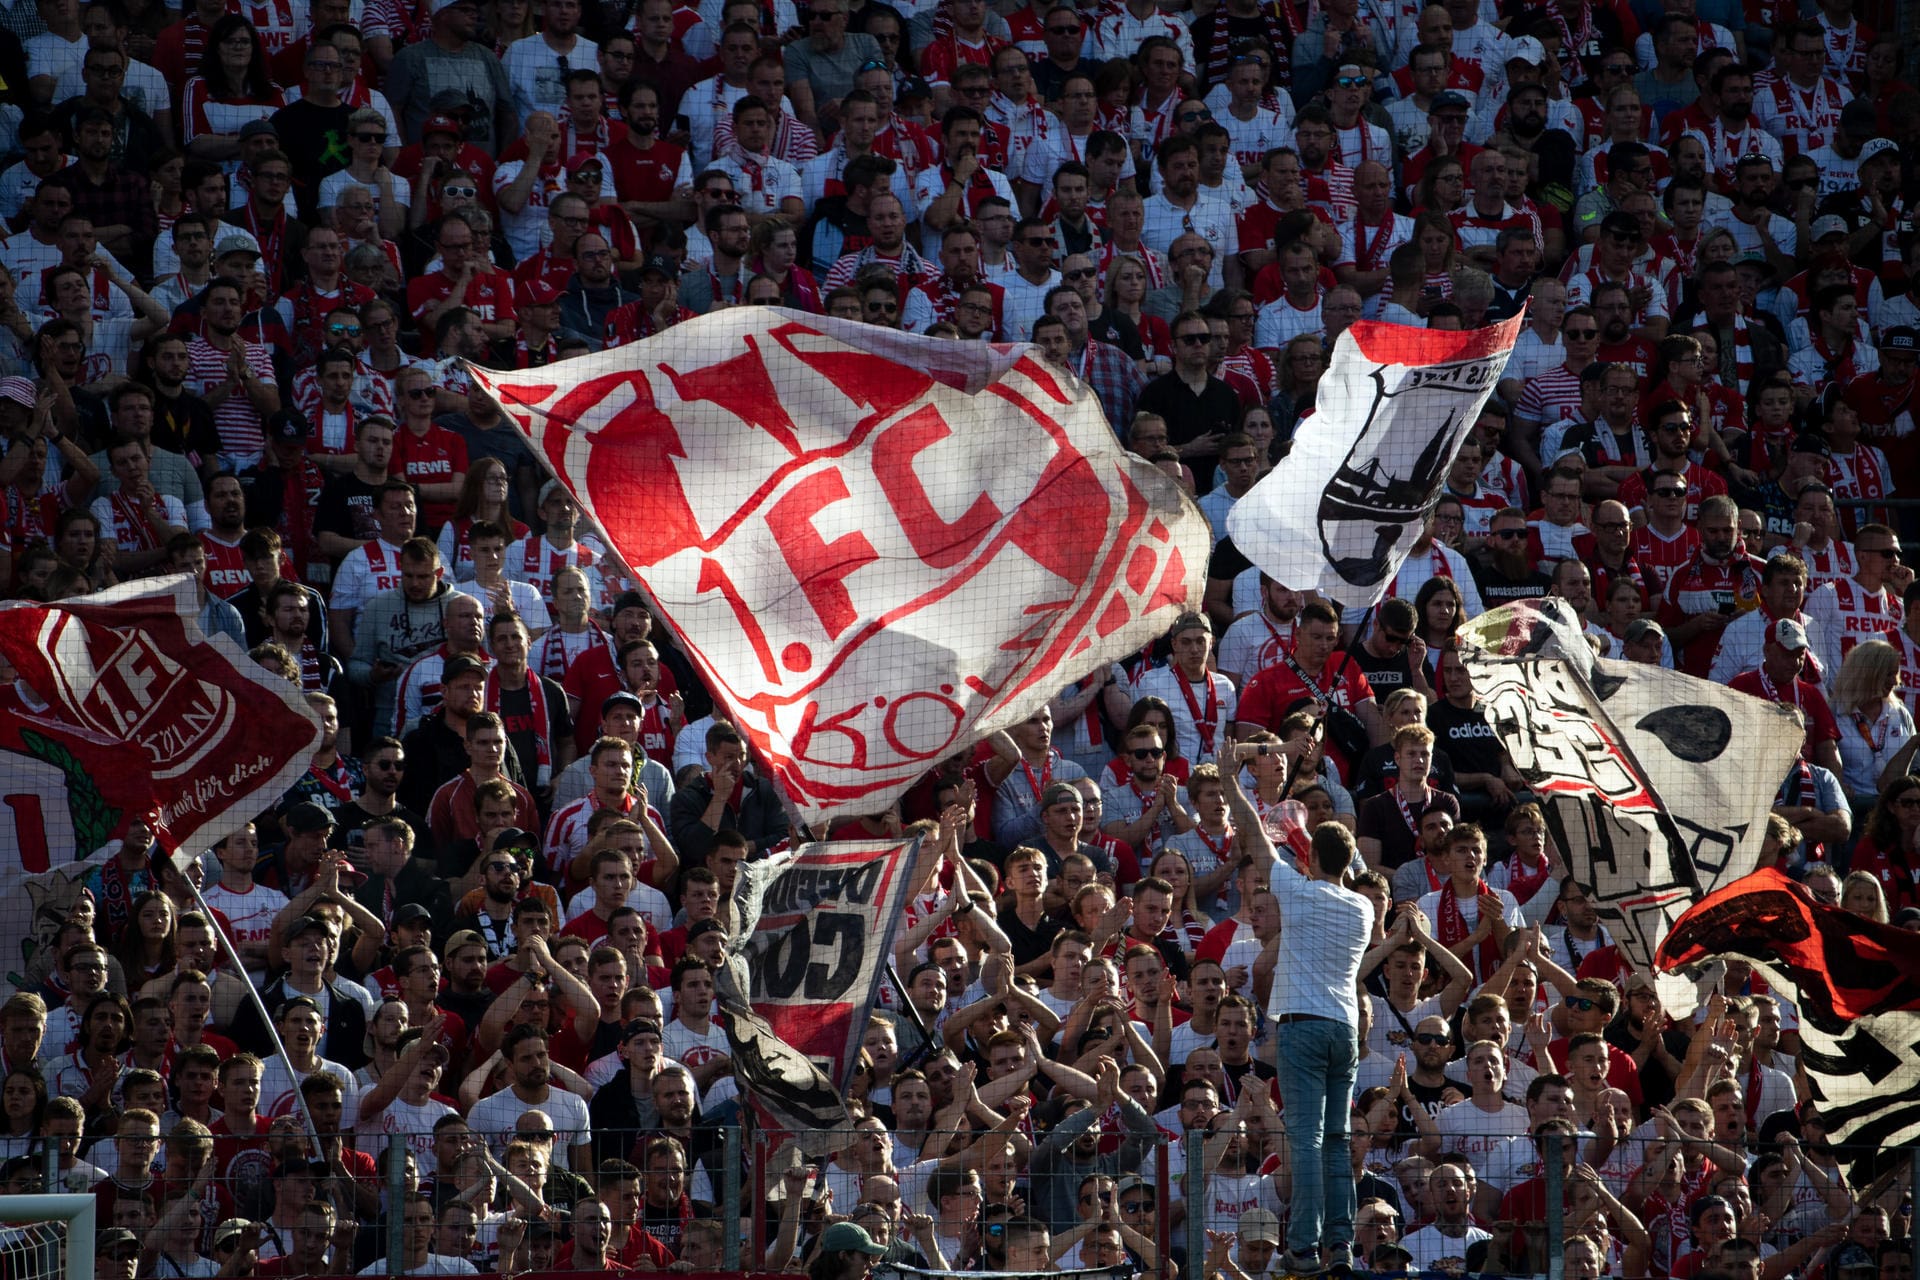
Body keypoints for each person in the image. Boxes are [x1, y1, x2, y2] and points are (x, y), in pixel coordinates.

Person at [1222, 758, 1368, 1273]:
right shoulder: (1363, 908)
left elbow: (1255, 838)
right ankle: (1341, 1245)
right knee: (1337, 1141)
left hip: (1302, 1029)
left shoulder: (1297, 891)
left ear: (1310, 857)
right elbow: (1329, 872)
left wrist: (1227, 780)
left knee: (1304, 1141)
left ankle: (1304, 1247)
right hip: (1345, 1031)